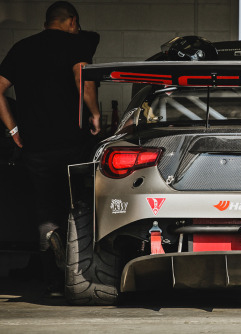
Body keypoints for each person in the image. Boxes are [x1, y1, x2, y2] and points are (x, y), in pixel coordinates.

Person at [0, 1, 101, 295]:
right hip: (73, 144)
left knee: (45, 212)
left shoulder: (21, 48)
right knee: (80, 207)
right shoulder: (76, 43)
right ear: (72, 21)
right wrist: (94, 114)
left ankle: (53, 282)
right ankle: (79, 275)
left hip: (36, 147)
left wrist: (14, 129)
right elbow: (83, 79)